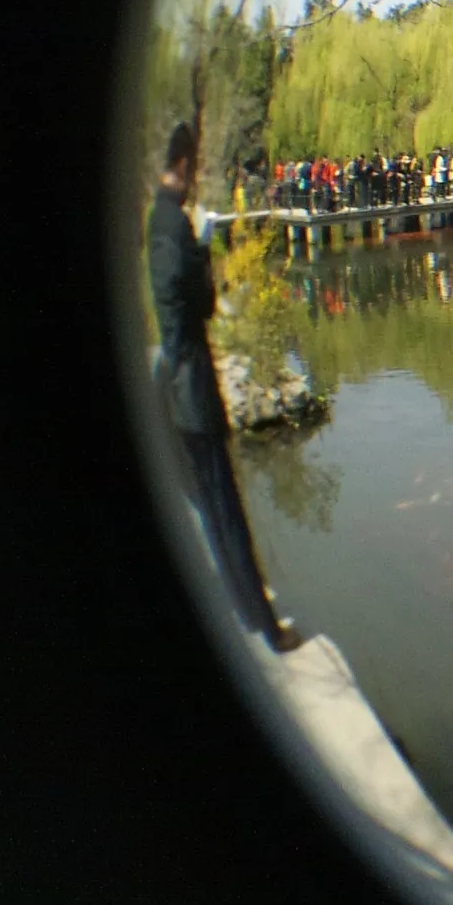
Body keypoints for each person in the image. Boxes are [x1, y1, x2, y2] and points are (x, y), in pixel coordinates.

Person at [146, 122, 298, 652]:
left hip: (187, 383)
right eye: (197, 167)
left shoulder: (162, 220)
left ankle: (253, 613)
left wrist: (197, 253)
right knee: (224, 511)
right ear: (184, 165)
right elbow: (189, 306)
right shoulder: (169, 225)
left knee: (218, 507)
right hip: (189, 391)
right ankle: (267, 627)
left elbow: (189, 302)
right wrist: (202, 250)